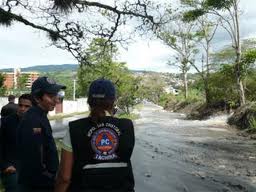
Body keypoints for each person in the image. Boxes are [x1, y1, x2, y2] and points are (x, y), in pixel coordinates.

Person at [55, 79, 135, 192]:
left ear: (89, 101)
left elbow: (64, 178)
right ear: (113, 101)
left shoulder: (74, 128)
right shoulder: (127, 126)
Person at [17, 76, 66, 192]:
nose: (55, 99)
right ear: (37, 98)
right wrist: (50, 177)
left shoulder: (40, 116)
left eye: (55, 95)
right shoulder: (33, 120)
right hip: (38, 185)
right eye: (50, 96)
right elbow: (34, 159)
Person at [0, 94, 33, 192]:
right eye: (20, 105)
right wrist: (5, 165)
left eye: (27, 106)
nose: (22, 108)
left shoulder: (36, 122)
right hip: (12, 169)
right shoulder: (6, 122)